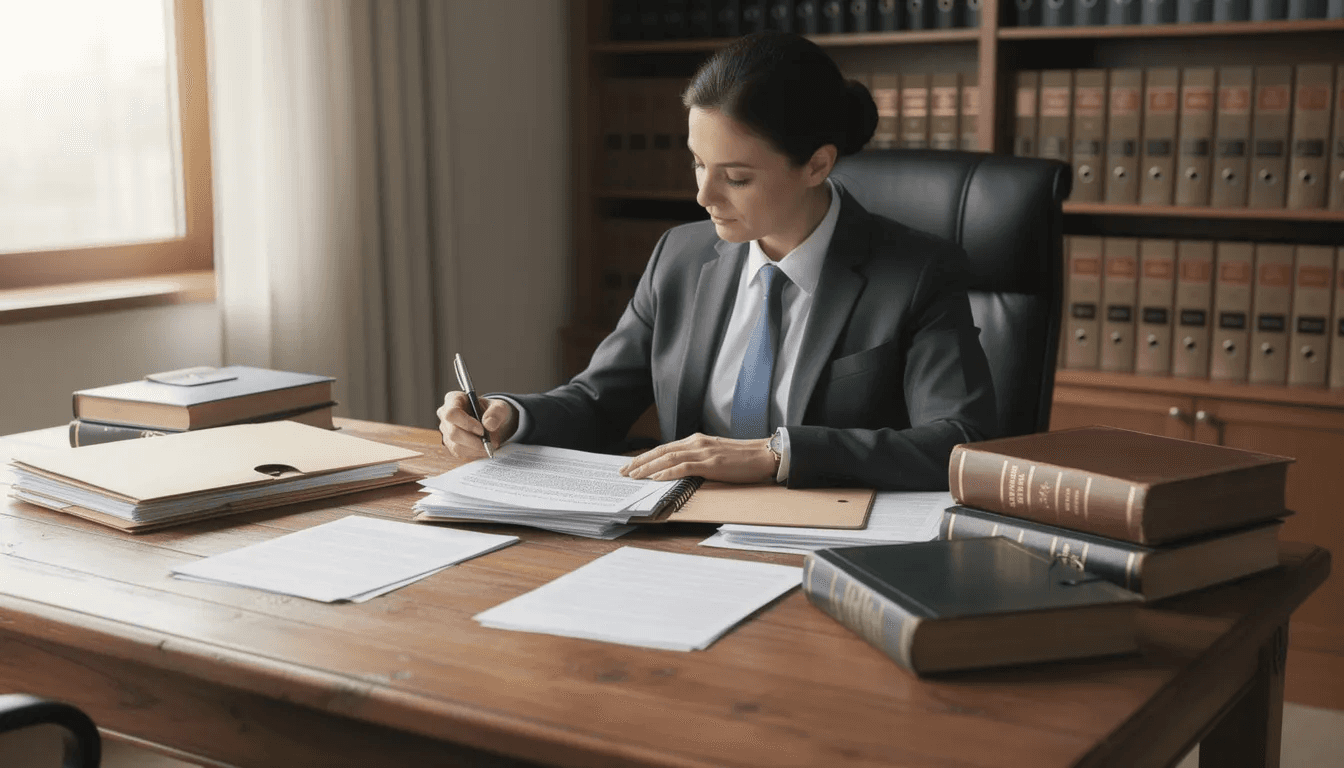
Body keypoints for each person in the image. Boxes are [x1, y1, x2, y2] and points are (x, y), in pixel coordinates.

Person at [438, 31, 995, 491]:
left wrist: (777, 454)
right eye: (697, 164)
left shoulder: (918, 273)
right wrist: (511, 416)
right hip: (685, 533)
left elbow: (957, 437)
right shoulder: (679, 257)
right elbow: (598, 400)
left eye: (736, 177)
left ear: (818, 165)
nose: (704, 196)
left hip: (827, 545)